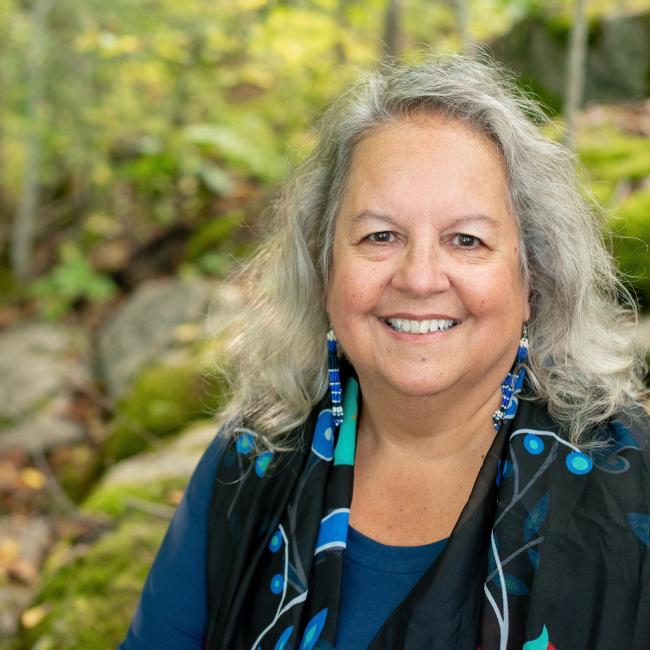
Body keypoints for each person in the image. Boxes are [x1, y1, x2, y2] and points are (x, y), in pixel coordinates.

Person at [120, 54, 650, 650]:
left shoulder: (633, 490)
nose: (420, 277)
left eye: (466, 240)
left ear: (532, 280)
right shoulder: (251, 461)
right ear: (324, 271)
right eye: (380, 236)